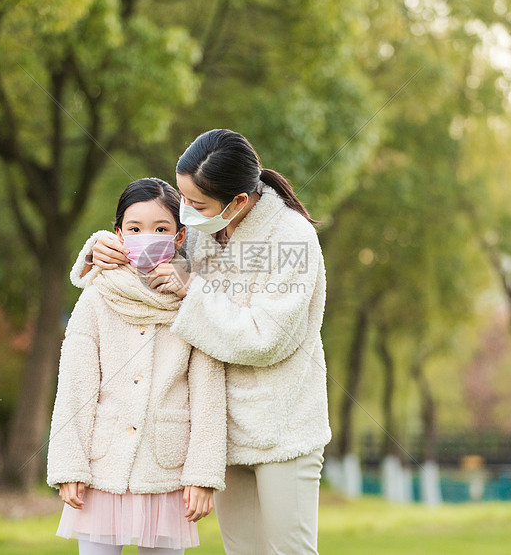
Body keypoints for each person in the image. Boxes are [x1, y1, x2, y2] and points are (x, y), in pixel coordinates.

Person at [73, 129, 331, 554]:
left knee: (290, 551)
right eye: (183, 197)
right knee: (242, 551)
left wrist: (193, 290)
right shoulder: (201, 229)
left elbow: (268, 340)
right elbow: (152, 249)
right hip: (224, 427)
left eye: (195, 204)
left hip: (281, 427)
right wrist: (101, 247)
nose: (185, 212)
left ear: (238, 203)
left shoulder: (292, 240)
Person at [47, 177, 227, 555]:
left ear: (179, 237)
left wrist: (203, 474)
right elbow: (75, 387)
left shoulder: (193, 303)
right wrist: (69, 466)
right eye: (135, 228)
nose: (148, 236)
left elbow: (208, 395)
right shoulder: (96, 298)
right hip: (101, 470)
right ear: (117, 234)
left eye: (161, 229)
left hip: (167, 473)